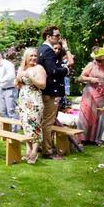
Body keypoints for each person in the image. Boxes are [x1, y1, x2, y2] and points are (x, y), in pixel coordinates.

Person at [37, 25, 70, 159]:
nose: (59, 38)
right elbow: (53, 71)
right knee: (48, 122)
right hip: (51, 91)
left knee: (44, 121)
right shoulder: (48, 51)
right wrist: (66, 70)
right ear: (48, 37)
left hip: (46, 91)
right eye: (57, 36)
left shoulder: (41, 49)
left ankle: (42, 146)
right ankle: (48, 151)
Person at [77, 46, 104, 145]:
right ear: (98, 59)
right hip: (90, 94)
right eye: (103, 60)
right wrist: (90, 79)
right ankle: (83, 138)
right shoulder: (91, 65)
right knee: (87, 115)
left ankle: (97, 138)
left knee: (101, 117)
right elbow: (80, 78)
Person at [14, 48, 47, 164]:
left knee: (35, 125)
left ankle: (34, 151)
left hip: (34, 101)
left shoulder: (39, 68)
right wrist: (18, 78)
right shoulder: (22, 68)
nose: (33, 58)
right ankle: (28, 150)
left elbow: (43, 85)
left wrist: (30, 76)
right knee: (26, 126)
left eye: (35, 56)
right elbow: (17, 84)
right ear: (26, 57)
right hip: (23, 101)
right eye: (31, 56)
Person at [0, 52, 17, 122]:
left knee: (11, 111)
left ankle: (15, 130)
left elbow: (11, 76)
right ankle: (7, 129)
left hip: (10, 90)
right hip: (2, 90)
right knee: (2, 111)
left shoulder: (8, 64)